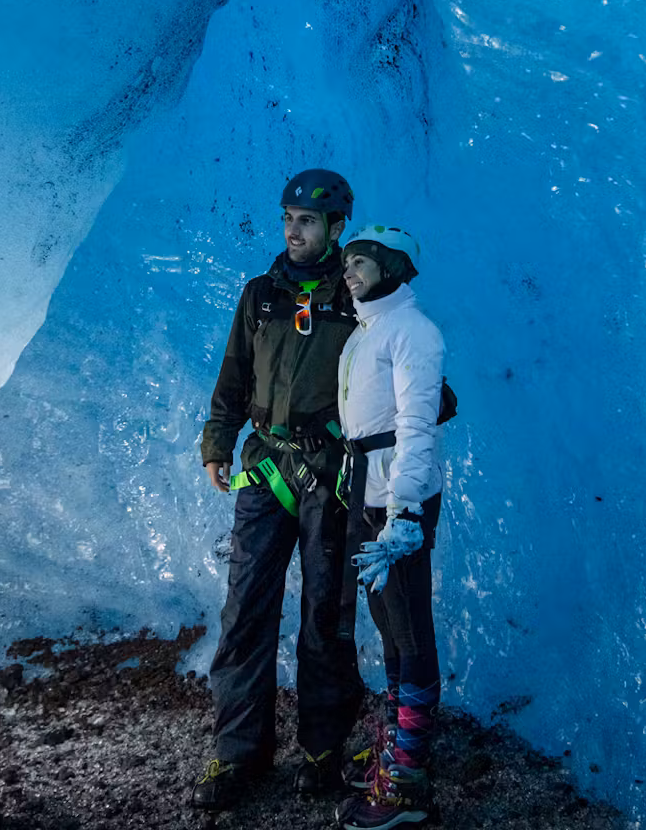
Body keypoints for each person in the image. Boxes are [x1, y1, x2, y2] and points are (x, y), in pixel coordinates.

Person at [190, 168, 366, 811]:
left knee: (326, 613)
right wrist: (218, 442)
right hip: (266, 469)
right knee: (245, 612)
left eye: (309, 221)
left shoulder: (359, 300)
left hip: (331, 473)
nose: (294, 231)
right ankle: (238, 754)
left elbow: (397, 366)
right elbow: (233, 375)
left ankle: (322, 748)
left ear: (337, 228)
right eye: (289, 219)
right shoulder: (260, 295)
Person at [332, 224, 446, 830]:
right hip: (369, 490)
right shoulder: (369, 328)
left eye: (362, 261)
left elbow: (417, 425)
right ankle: (399, 745)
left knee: (410, 629)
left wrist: (403, 512)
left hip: (395, 499)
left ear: (395, 265)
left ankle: (407, 782)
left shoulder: (413, 332)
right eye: (348, 260)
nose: (349, 269)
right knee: (390, 625)